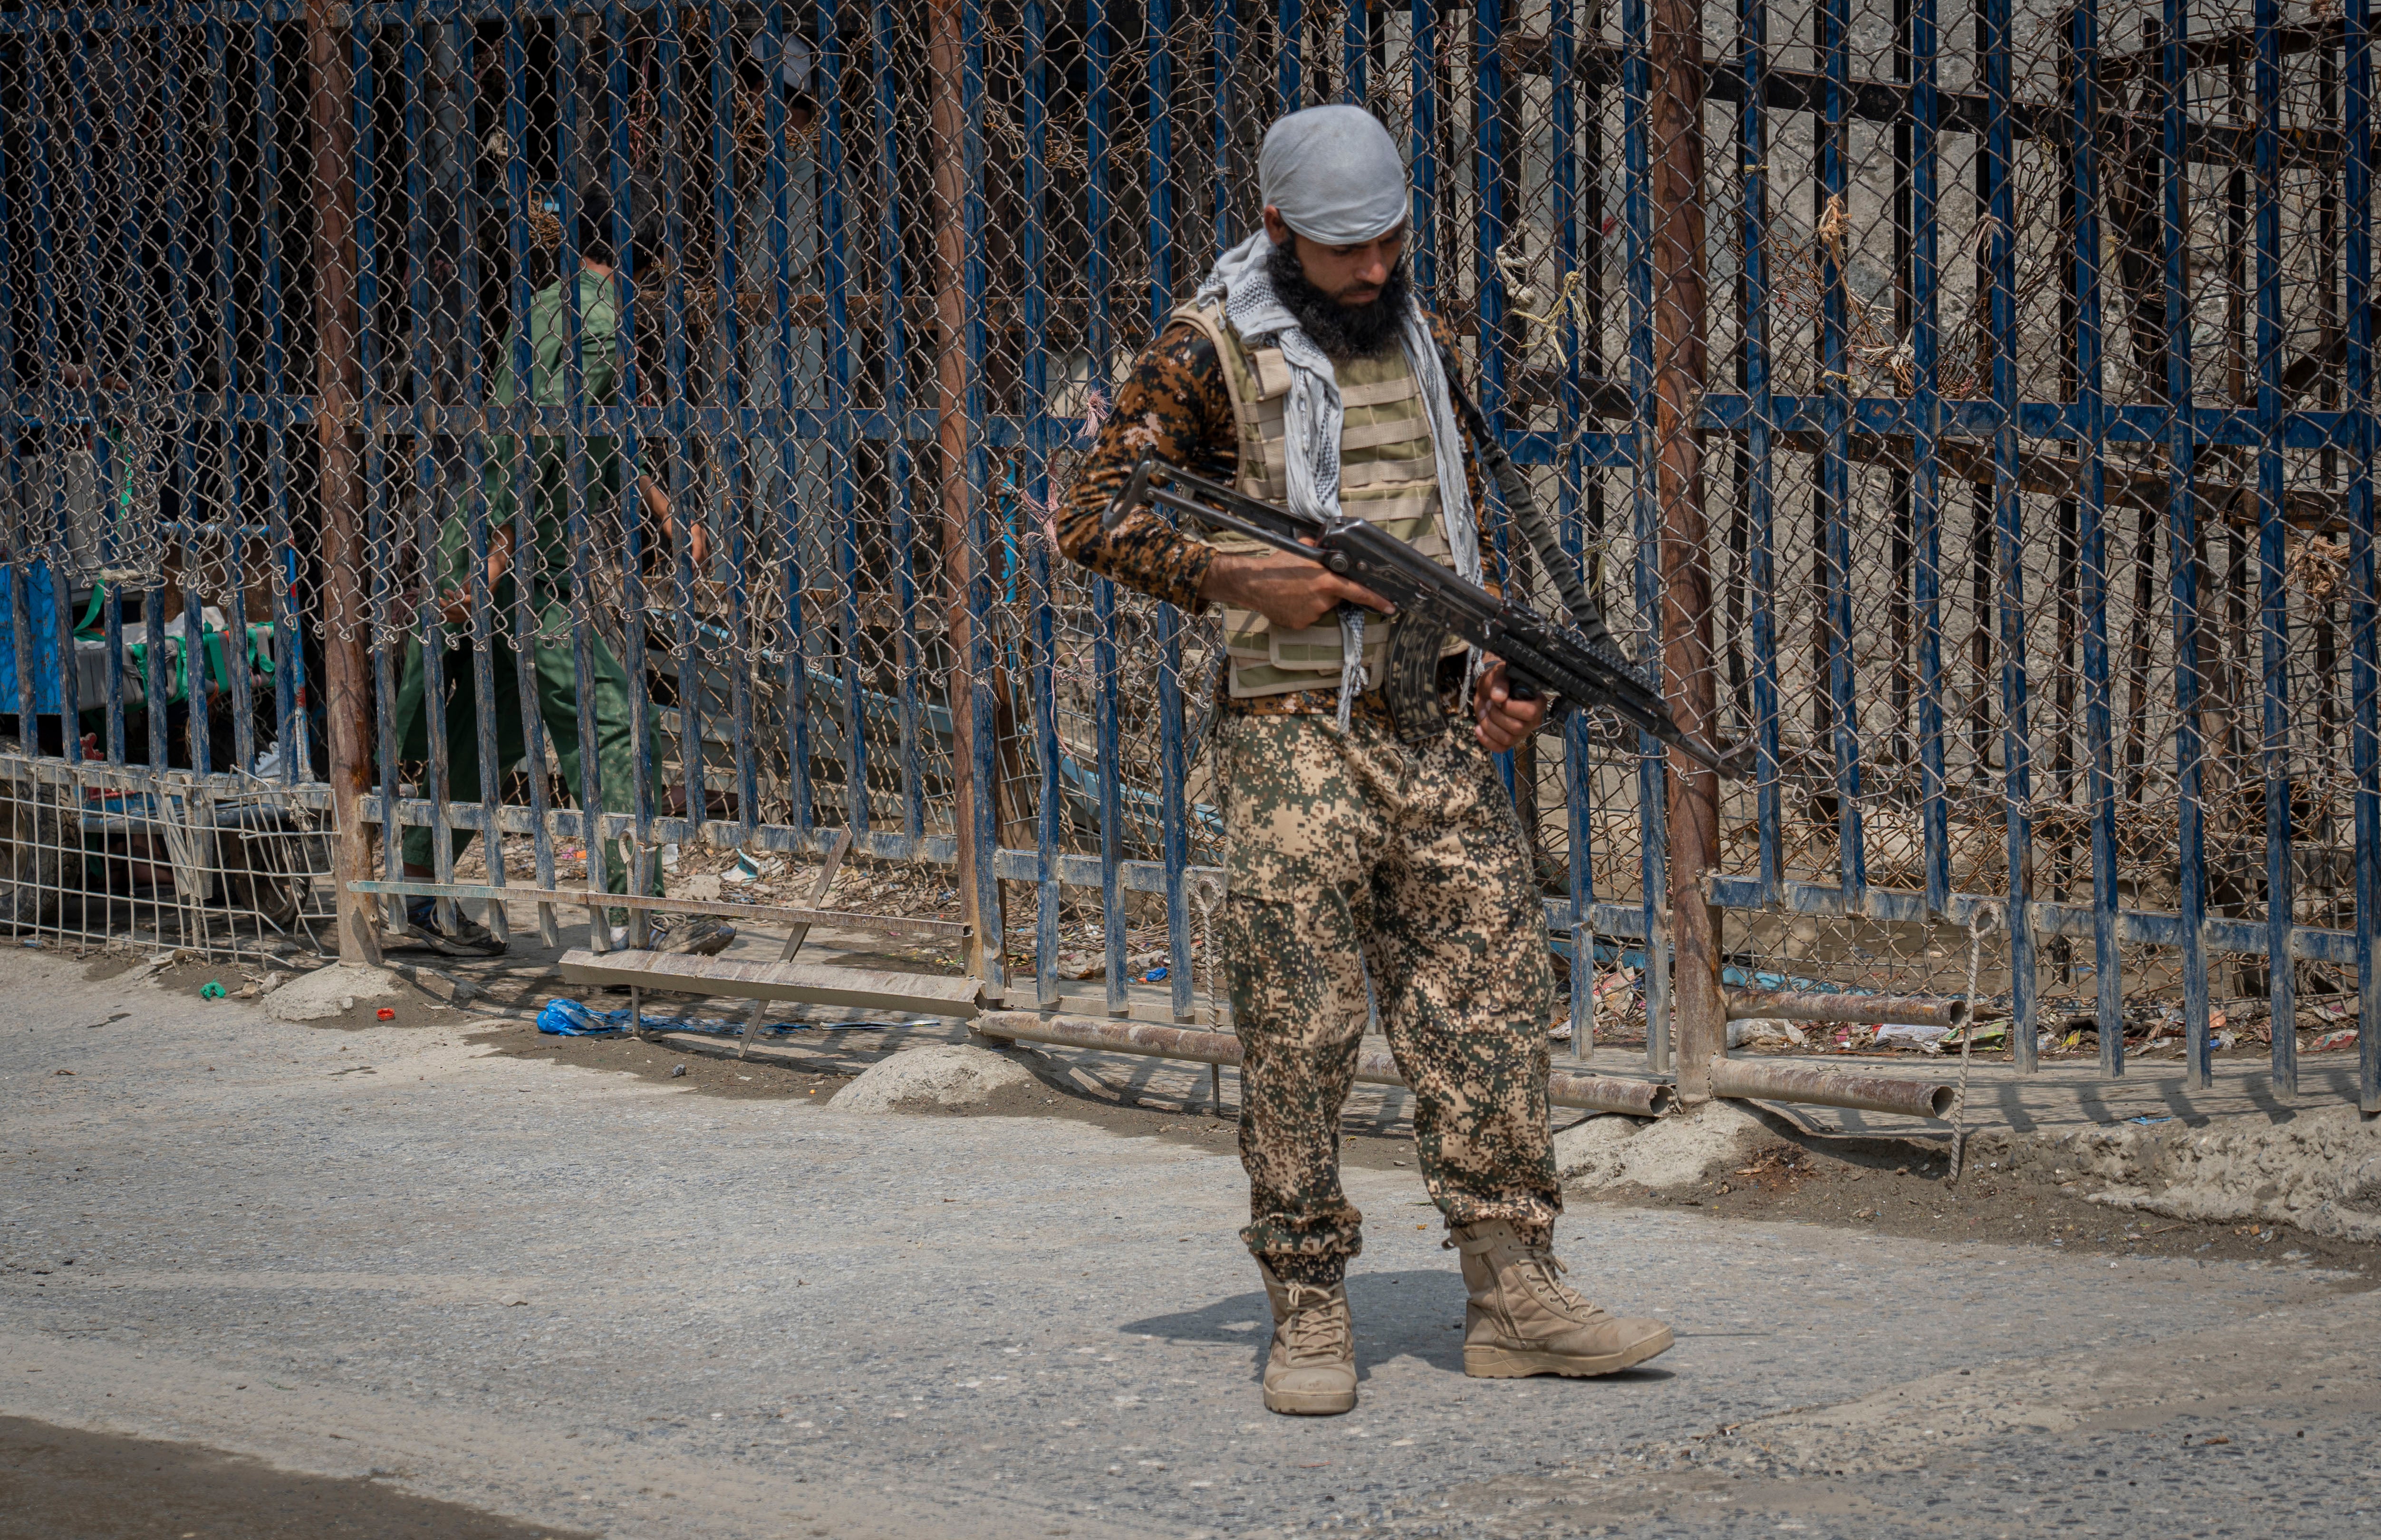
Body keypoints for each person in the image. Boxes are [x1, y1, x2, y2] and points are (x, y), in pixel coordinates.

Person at [1060, 106, 1672, 1415]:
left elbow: (1451, 537)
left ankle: (1513, 1291)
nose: (1374, 269)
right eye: (1344, 249)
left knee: (1489, 999)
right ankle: (1307, 1305)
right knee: (1302, 1023)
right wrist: (1237, 576)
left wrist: (1500, 684)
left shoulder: (1420, 335)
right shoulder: (1205, 348)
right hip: (1291, 737)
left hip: (1433, 726)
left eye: (1391, 241)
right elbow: (1090, 511)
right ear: (1279, 230)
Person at [386, 190, 724, 960]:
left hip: (503, 549)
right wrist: (498, 558)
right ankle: (636, 910)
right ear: (655, 268)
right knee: (606, 715)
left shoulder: (553, 305)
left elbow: (587, 425)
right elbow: (536, 444)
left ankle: (415, 899)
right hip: (518, 562)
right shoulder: (599, 326)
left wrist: (665, 508)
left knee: (486, 728)